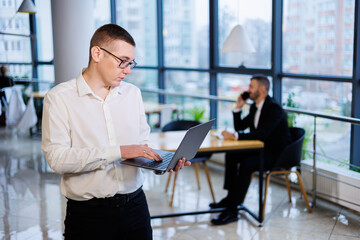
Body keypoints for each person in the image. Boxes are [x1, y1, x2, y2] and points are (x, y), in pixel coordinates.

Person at [41, 24, 190, 240]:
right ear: (97, 53)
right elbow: (57, 159)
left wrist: (161, 163)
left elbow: (140, 147)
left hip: (136, 206)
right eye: (123, 61)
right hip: (88, 216)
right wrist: (118, 151)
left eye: (131, 63)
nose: (128, 70)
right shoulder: (59, 98)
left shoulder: (133, 94)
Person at [210, 74, 292, 225]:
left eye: (251, 87)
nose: (248, 90)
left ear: (262, 89)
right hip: (260, 149)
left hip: (276, 154)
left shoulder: (273, 108)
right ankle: (230, 198)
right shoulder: (255, 106)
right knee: (232, 155)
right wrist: (238, 107)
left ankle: (233, 209)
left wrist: (235, 136)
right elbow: (240, 126)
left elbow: (262, 134)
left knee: (247, 164)